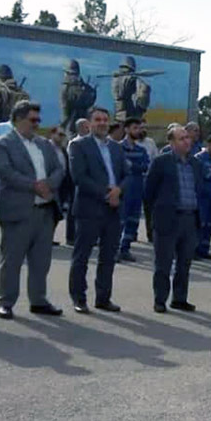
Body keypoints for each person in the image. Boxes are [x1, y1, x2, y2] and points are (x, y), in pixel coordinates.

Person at [0, 101, 65, 318]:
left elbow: (58, 169)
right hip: (18, 211)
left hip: (45, 211)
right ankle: (6, 302)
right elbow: (5, 172)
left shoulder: (44, 144)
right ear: (18, 119)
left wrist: (48, 185)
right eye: (33, 120)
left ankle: (38, 300)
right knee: (12, 260)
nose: (36, 124)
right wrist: (34, 186)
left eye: (38, 120)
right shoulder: (3, 144)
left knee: (41, 261)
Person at [68, 107, 128, 313]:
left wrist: (119, 191)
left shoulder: (117, 148)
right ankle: (79, 298)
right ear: (89, 123)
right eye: (97, 120)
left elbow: (127, 175)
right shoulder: (78, 145)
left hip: (113, 210)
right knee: (82, 256)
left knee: (108, 257)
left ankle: (103, 298)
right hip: (89, 208)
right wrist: (107, 194)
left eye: (105, 119)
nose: (102, 123)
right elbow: (79, 177)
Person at [144, 125, 204, 312]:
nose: (187, 141)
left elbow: (199, 191)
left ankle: (179, 298)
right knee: (163, 263)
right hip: (168, 219)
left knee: (184, 263)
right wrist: (152, 222)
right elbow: (148, 193)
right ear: (171, 142)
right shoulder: (161, 162)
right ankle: (160, 300)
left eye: (187, 137)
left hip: (190, 219)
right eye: (181, 138)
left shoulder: (195, 163)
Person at [118, 118, 150, 262]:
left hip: (137, 189)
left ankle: (125, 249)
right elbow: (120, 167)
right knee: (120, 220)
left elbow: (145, 166)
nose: (138, 131)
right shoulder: (118, 148)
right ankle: (114, 249)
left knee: (133, 221)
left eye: (139, 128)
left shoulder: (141, 150)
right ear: (126, 129)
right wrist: (134, 166)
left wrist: (131, 165)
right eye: (135, 128)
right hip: (123, 189)